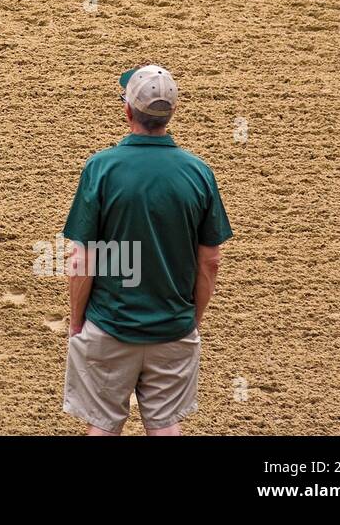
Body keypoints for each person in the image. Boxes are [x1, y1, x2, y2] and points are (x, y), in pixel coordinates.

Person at [61, 64, 233, 436]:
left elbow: (82, 259)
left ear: (128, 111)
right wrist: (191, 321)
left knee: (103, 426)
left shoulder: (101, 167)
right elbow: (211, 260)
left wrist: (77, 322)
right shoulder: (199, 172)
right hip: (172, 327)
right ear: (171, 113)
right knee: (166, 425)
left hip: (110, 326)